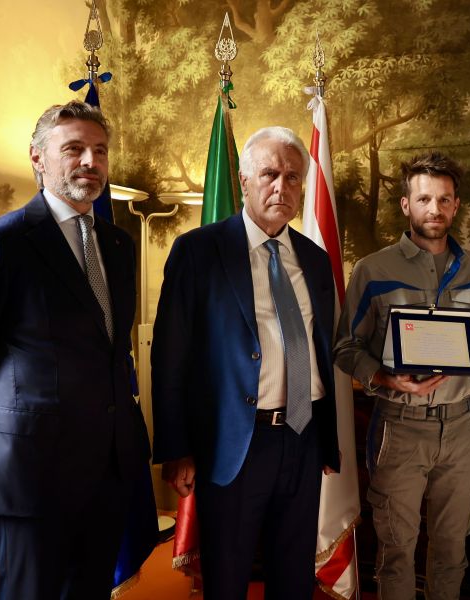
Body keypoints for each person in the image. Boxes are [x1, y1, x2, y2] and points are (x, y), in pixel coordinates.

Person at [151, 126, 340, 600]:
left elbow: (321, 348)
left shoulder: (315, 261)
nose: (282, 187)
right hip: (235, 442)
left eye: (294, 177)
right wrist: (176, 448)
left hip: (303, 435)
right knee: (228, 578)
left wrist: (327, 440)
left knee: (294, 578)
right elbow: (170, 353)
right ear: (243, 181)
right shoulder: (199, 251)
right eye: (270, 174)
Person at [0, 101, 151, 599]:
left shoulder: (119, 247)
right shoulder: (3, 241)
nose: (90, 162)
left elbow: (111, 353)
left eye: (100, 151)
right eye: (73, 149)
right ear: (38, 159)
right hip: (31, 472)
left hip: (108, 468)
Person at [334, 151, 470, 599]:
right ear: (406, 206)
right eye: (423, 199)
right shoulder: (373, 269)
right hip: (399, 427)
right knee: (397, 549)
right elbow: (345, 347)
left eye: (443, 200)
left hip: (462, 426)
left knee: (452, 548)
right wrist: (385, 379)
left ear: (456, 205)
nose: (434, 210)